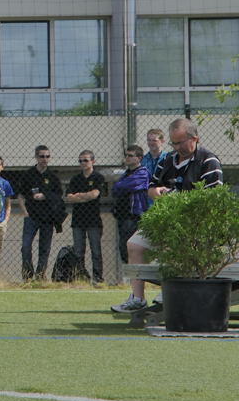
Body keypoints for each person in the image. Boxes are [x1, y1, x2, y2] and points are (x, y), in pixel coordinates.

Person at [112, 118, 223, 313]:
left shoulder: (209, 161)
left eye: (179, 142)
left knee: (173, 244)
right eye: (173, 142)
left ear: (194, 138)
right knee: (134, 244)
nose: (176, 147)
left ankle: (169, 292)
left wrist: (176, 196)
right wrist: (156, 192)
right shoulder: (167, 160)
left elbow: (212, 199)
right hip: (164, 220)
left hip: (194, 226)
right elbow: (151, 188)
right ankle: (137, 298)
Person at [18, 145, 64, 281]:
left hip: (47, 218)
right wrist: (25, 213)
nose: (45, 159)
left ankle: (40, 276)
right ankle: (27, 275)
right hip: (31, 217)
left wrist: (45, 195)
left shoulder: (53, 177)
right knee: (25, 247)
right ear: (36, 157)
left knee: (44, 249)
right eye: (42, 156)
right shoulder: (28, 175)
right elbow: (21, 196)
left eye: (47, 156)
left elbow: (59, 196)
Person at [64, 150, 106, 284]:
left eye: (86, 160)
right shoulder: (75, 179)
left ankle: (98, 278)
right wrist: (85, 197)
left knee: (96, 251)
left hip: (93, 220)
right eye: (80, 160)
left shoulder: (98, 177)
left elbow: (95, 194)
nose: (83, 163)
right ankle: (81, 277)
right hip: (77, 220)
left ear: (93, 161)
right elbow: (69, 197)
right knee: (78, 252)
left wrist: (79, 196)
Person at [110, 145, 150, 264]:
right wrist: (120, 186)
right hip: (122, 215)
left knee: (131, 246)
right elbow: (114, 190)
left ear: (139, 158)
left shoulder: (143, 173)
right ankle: (126, 278)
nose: (127, 158)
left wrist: (120, 186)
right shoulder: (126, 174)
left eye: (130, 155)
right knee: (123, 247)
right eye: (126, 155)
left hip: (134, 216)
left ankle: (134, 276)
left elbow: (122, 186)